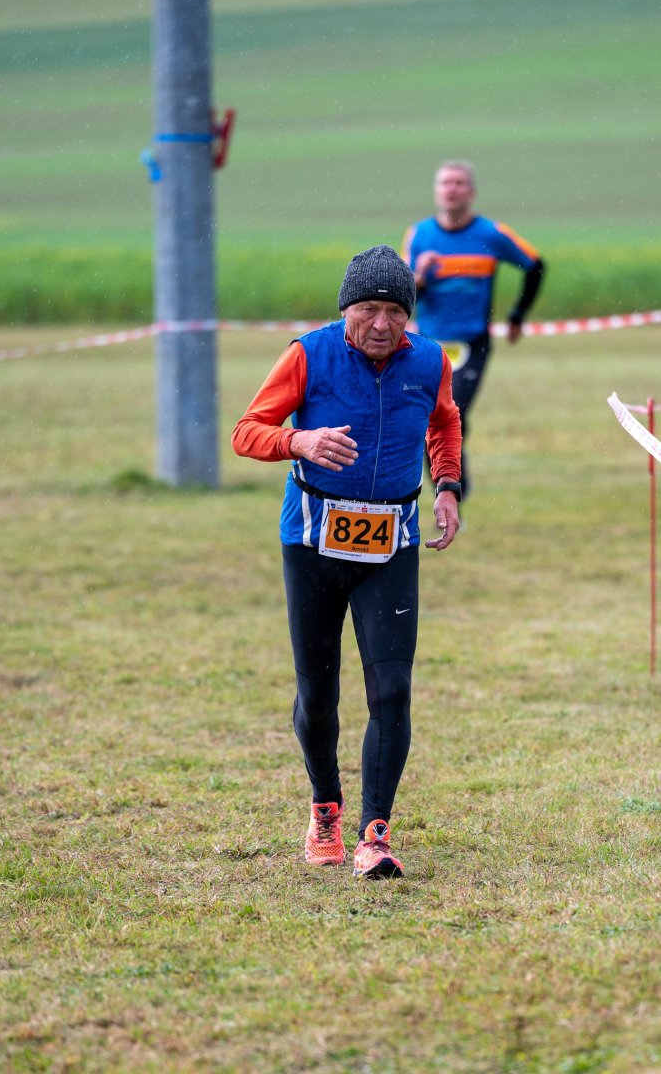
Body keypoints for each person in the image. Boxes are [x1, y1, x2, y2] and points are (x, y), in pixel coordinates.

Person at [231, 245, 462, 879]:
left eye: (394, 311)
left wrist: (446, 485)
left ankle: (374, 833)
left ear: (409, 315)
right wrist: (298, 439)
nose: (381, 324)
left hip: (392, 544)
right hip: (312, 543)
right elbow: (246, 431)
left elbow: (445, 422)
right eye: (367, 310)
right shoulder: (308, 354)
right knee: (318, 693)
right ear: (345, 310)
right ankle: (325, 807)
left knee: (392, 689)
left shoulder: (431, 360)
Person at [402, 160, 545, 498]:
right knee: (426, 418)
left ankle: (453, 491)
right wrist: (419, 276)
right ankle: (448, 490)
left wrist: (517, 316)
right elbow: (404, 297)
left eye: (459, 183)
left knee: (454, 412)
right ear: (436, 191)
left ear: (472, 192)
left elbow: (535, 265)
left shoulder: (491, 234)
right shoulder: (418, 235)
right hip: (428, 344)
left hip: (473, 343)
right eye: (445, 183)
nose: (451, 189)